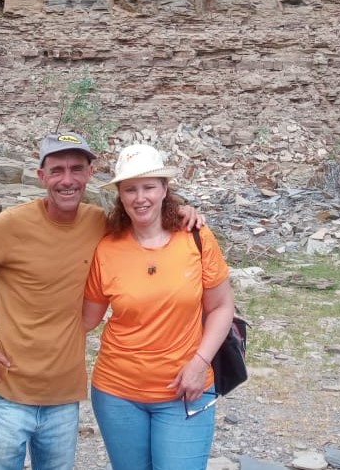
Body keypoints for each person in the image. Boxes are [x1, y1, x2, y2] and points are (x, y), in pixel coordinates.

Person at [0, 132, 203, 470]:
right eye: (57, 170)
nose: (67, 180)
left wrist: (182, 212)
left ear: (90, 173)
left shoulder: (99, 224)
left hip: (63, 398)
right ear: (41, 175)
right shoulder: (11, 225)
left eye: (76, 169)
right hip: (7, 392)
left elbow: (145, 220)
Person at [82, 143, 236, 470]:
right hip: (116, 393)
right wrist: (21, 320)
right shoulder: (107, 248)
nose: (141, 198)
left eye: (149, 187)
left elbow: (222, 307)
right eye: (130, 189)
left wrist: (200, 362)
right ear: (120, 196)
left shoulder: (195, 236)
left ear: (165, 189)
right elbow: (85, 319)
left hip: (187, 388)